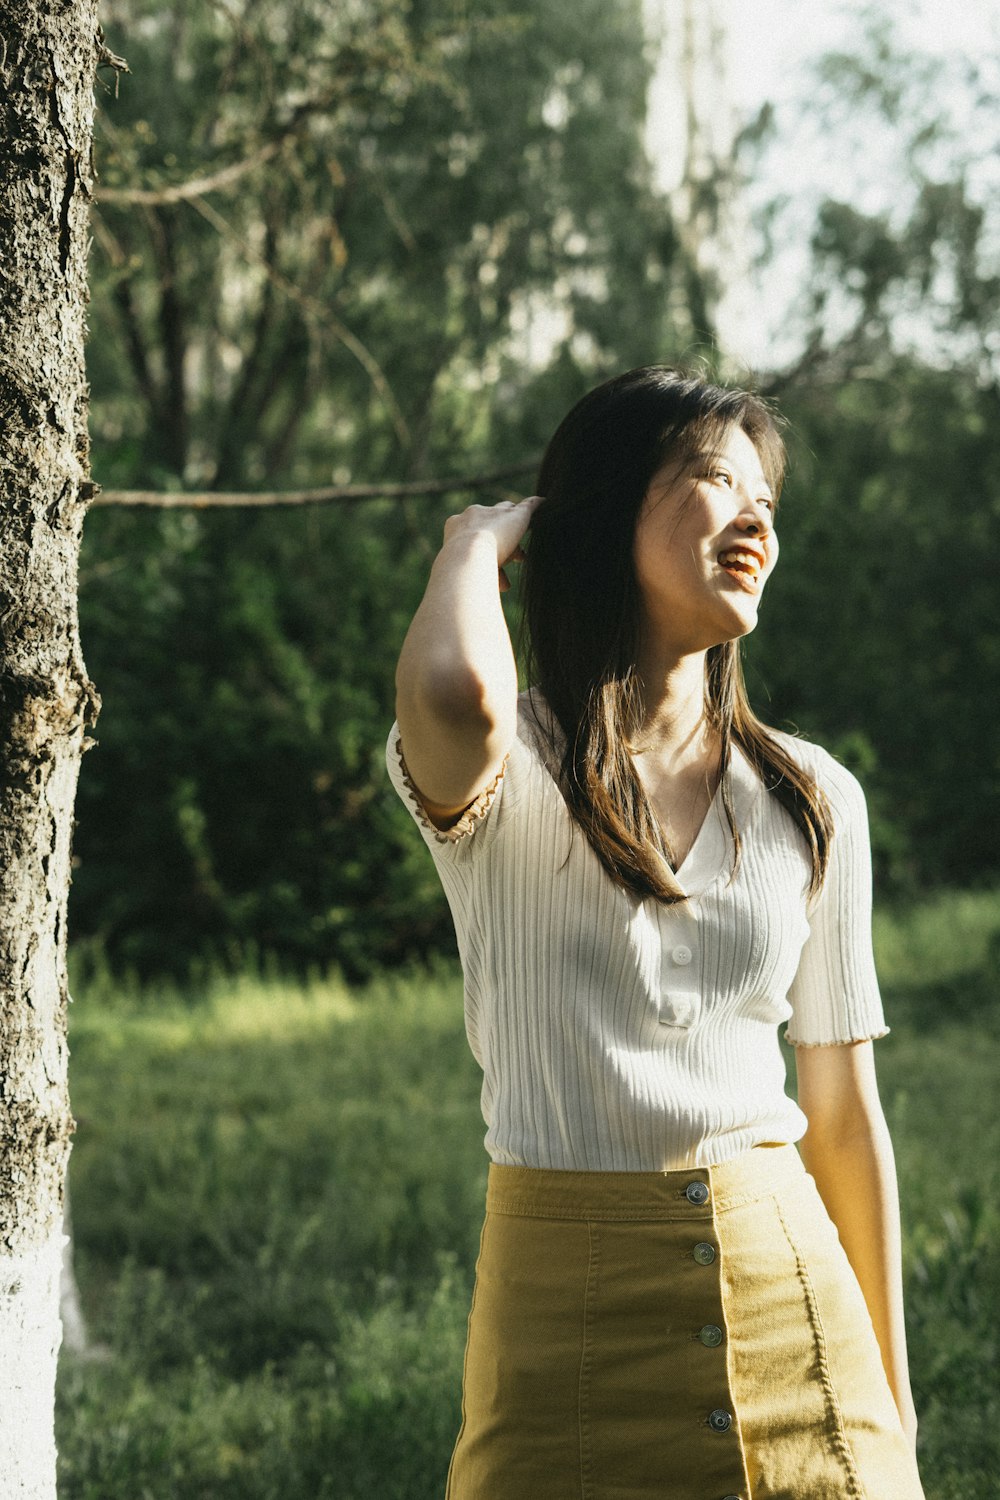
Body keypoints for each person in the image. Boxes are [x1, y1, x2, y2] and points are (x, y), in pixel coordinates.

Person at [386, 366, 925, 1499]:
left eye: (766, 498)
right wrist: (474, 547)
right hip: (561, 1326)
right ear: (607, 510)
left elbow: (841, 1115)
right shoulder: (506, 773)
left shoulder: (813, 796)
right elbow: (451, 697)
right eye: (713, 478)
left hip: (798, 1312)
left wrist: (892, 1396)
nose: (755, 517)